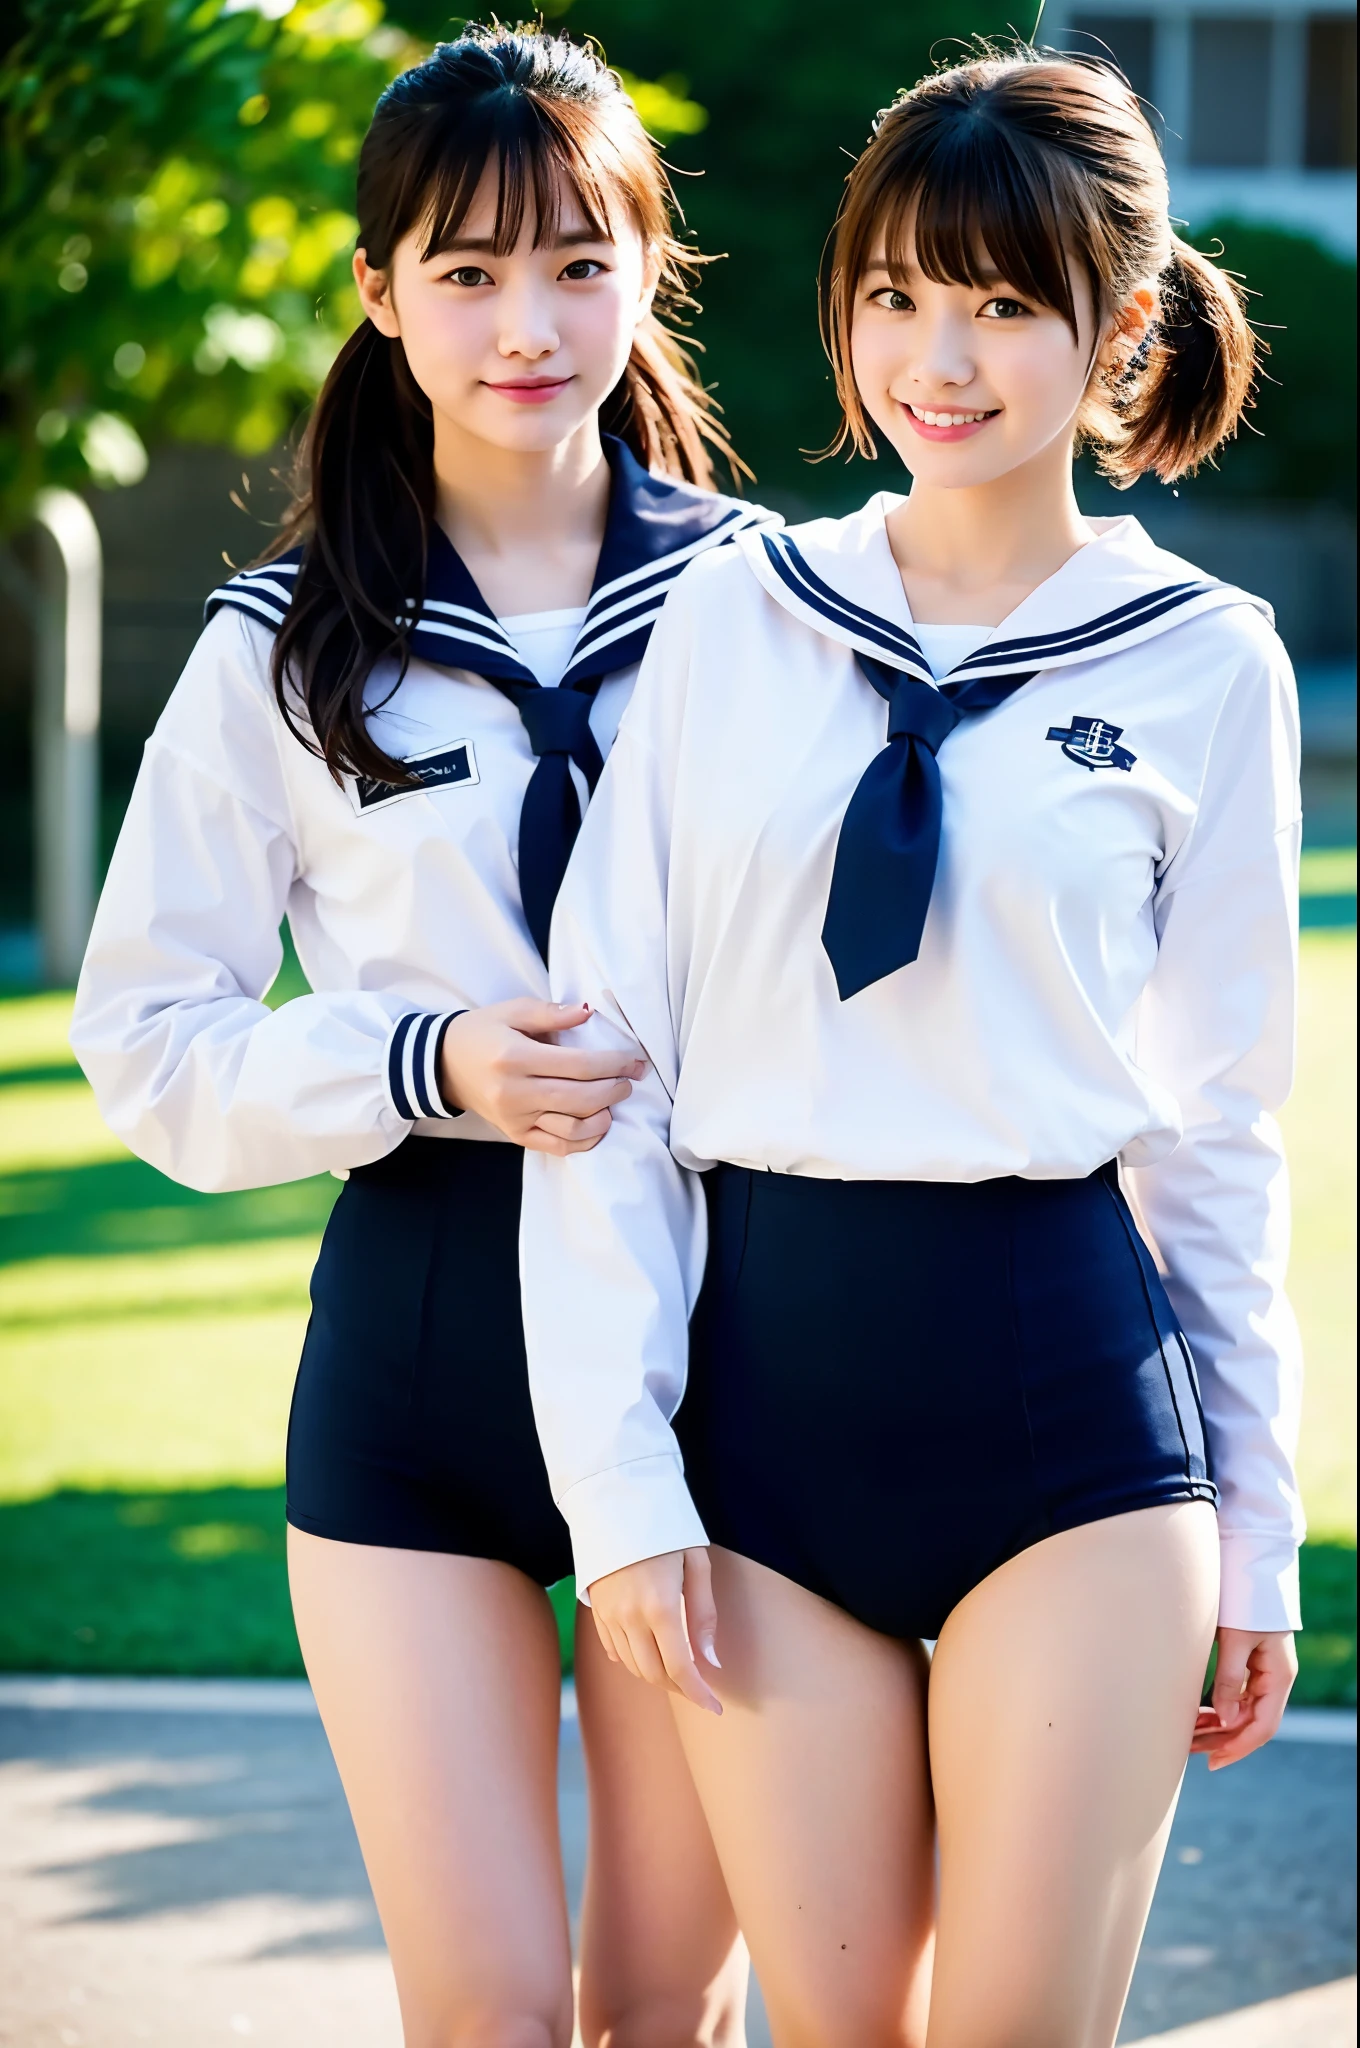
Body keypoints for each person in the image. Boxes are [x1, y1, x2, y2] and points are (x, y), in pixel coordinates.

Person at [520, 47, 1304, 2048]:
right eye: (890, 294)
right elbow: (604, 1061)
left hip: (1069, 1396)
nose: (930, 358)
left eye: (996, 305)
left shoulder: (1203, 661)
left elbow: (1215, 1120)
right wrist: (618, 1488)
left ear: (1111, 326)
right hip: (768, 1403)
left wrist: (1259, 1523)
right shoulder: (727, 617)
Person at [70, 27, 772, 2047]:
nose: (524, 323)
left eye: (573, 258)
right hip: (418, 1341)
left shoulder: (776, 613)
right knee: (479, 2013)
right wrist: (417, 1058)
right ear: (377, 294)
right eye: (462, 270)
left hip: (718, 1353)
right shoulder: (281, 650)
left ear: (647, 265)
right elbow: (147, 1035)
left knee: (667, 2004)